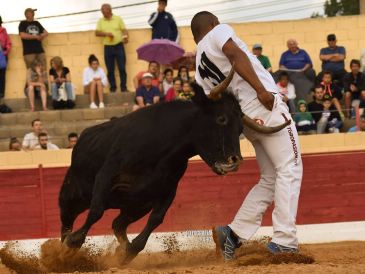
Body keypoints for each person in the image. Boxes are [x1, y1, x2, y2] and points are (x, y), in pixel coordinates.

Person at [191, 11, 302, 259]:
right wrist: (261, 90)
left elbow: (214, 101)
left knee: (270, 179)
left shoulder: (199, 65)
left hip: (246, 119)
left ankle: (232, 234)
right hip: (263, 106)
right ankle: (285, 240)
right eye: (217, 22)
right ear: (211, 24)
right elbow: (235, 54)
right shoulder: (218, 32)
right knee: (290, 167)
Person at [96, 4, 128, 93]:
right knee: (110, 69)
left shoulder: (118, 18)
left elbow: (124, 30)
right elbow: (97, 33)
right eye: (101, 11)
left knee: (122, 68)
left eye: (104, 10)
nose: (102, 12)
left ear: (109, 10)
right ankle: (113, 88)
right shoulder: (100, 21)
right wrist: (106, 34)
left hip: (119, 46)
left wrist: (125, 37)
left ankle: (123, 88)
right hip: (108, 48)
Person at [0, 15, 12, 100]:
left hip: (2, 55)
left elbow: (8, 43)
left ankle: (1, 94)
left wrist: (5, 52)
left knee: (2, 76)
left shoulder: (3, 31)